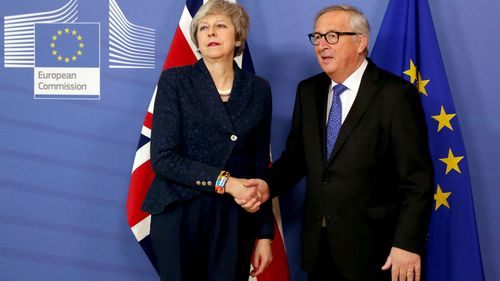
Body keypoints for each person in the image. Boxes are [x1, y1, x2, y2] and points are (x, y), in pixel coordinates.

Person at [241, 4, 434, 281]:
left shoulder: (395, 95)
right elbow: (297, 158)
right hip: (319, 248)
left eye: (333, 36)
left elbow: (418, 180)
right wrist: (267, 185)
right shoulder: (309, 91)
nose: (322, 45)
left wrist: (407, 243)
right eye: (317, 37)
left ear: (360, 42)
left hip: (378, 253)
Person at [141, 1, 273, 280]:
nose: (211, 33)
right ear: (197, 39)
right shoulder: (175, 81)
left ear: (238, 36)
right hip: (181, 210)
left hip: (234, 217)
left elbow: (260, 164)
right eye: (204, 28)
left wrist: (265, 233)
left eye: (220, 26)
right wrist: (226, 183)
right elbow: (163, 158)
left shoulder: (259, 88)